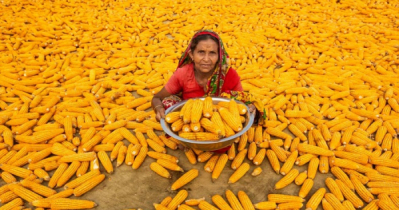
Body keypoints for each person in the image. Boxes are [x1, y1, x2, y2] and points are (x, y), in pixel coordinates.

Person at [151, 30, 264, 125]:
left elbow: (240, 101)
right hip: (190, 119)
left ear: (219, 56)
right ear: (191, 55)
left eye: (212, 53)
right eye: (201, 52)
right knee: (168, 103)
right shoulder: (183, 74)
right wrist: (159, 109)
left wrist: (249, 107)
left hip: (221, 121)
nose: (206, 59)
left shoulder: (229, 75)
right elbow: (157, 98)